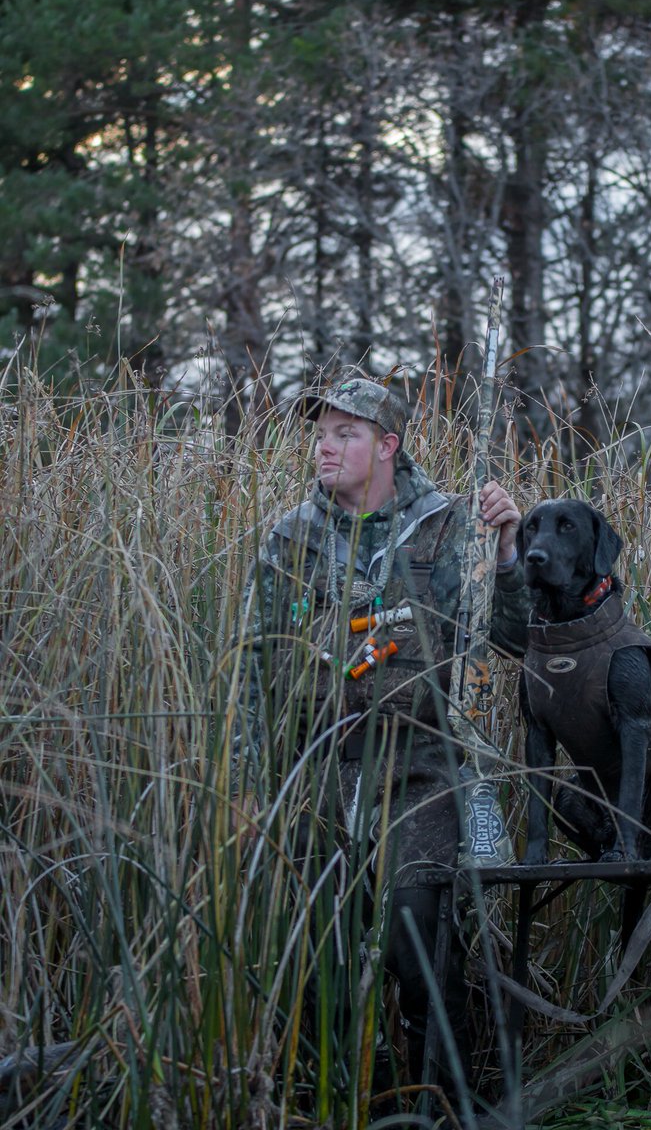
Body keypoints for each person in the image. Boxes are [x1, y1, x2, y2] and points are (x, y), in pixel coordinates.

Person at [238, 375, 528, 1095]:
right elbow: (257, 664)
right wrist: (252, 781)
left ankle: (447, 1101)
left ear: (388, 446)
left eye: (347, 434)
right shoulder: (290, 536)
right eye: (321, 433)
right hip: (316, 763)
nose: (325, 447)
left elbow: (508, 641)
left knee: (412, 921)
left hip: (419, 763)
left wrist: (509, 546)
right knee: (314, 937)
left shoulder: (446, 524)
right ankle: (327, 1097)